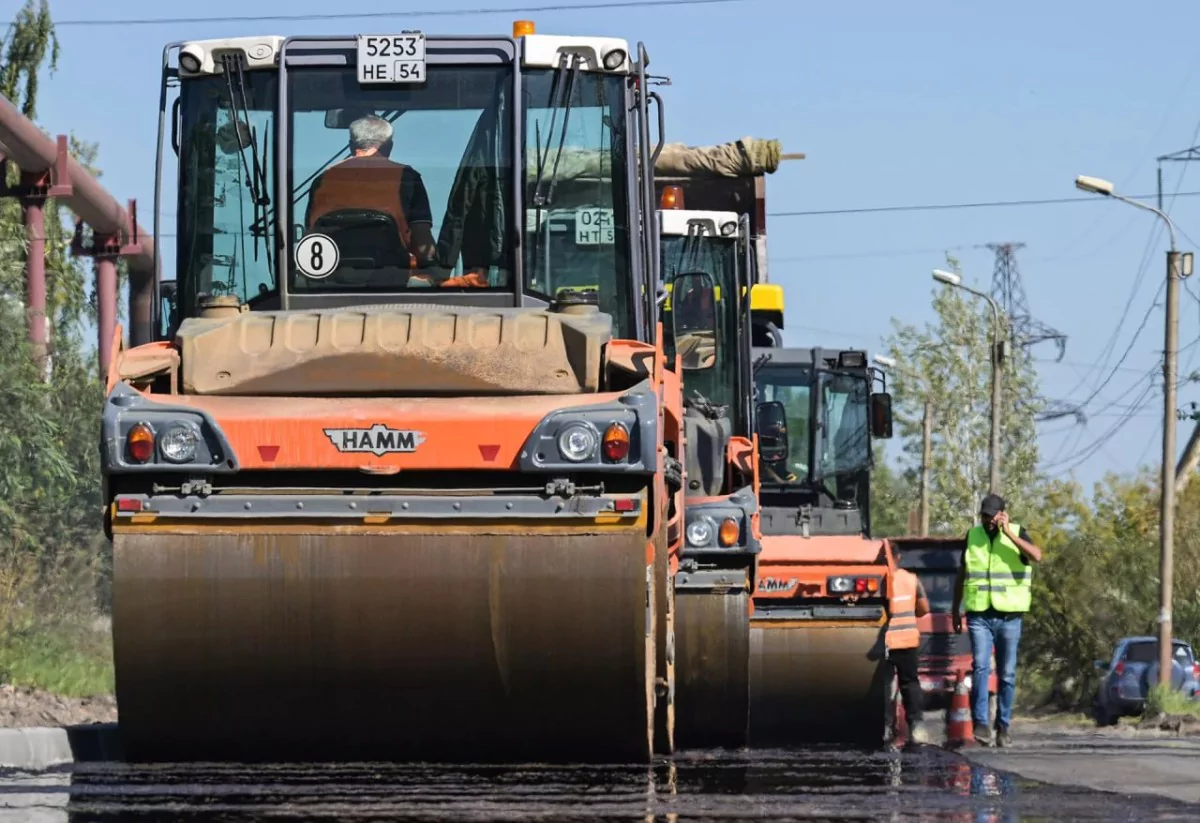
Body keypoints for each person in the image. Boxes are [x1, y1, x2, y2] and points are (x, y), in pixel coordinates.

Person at [952, 493, 1043, 748]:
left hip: (1010, 616)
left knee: (1007, 674)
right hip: (979, 613)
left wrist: (1010, 536)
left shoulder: (1017, 532)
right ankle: (981, 723)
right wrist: (954, 609)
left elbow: (1037, 556)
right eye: (984, 515)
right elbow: (962, 574)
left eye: (992, 516)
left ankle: (1003, 726)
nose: (988, 520)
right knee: (980, 666)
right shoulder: (973, 536)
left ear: (1003, 514)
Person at [304, 114, 438, 275]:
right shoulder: (407, 177)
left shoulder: (323, 179)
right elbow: (421, 239)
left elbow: (310, 235)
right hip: (390, 276)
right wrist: (434, 269)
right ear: (389, 147)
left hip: (330, 277)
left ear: (351, 146)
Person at [886, 564, 931, 746]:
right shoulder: (912, 580)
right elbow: (924, 608)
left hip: (883, 643)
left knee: (884, 688)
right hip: (906, 640)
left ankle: (886, 727)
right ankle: (917, 727)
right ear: (898, 558)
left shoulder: (880, 578)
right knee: (910, 683)